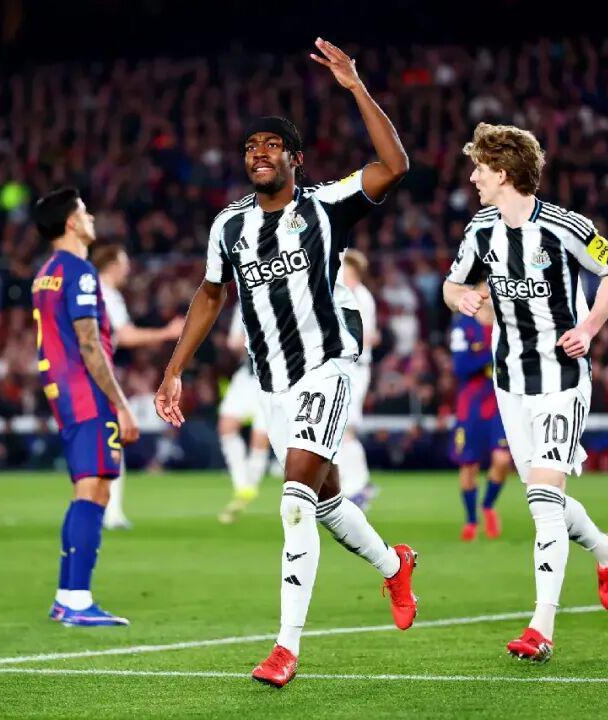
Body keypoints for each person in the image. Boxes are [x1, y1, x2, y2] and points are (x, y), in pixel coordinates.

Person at [155, 38, 417, 688]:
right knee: (325, 503)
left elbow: (395, 165)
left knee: (295, 499)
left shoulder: (325, 206)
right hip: (270, 383)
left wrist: (355, 86)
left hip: (326, 368)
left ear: (295, 159)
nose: (259, 154)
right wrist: (173, 369)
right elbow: (210, 295)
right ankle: (394, 566)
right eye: (251, 147)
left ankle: (285, 647)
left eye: (272, 145)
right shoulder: (229, 227)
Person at [442, 123, 608, 663]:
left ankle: (541, 627)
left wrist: (589, 327)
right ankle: (606, 548)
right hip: (510, 383)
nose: (473, 178)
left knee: (544, 502)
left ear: (503, 173)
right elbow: (453, 284)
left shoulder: (567, 227)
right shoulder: (481, 230)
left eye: (480, 168)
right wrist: (461, 300)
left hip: (561, 381)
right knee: (542, 497)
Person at [31, 187, 140, 627]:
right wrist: (121, 404)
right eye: (85, 212)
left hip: (63, 390)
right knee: (92, 489)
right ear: (71, 222)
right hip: (85, 392)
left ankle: (68, 596)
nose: (91, 217)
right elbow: (90, 344)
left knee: (94, 489)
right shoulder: (79, 272)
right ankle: (75, 599)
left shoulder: (46, 273)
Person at [90, 242, 184, 530]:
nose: (128, 269)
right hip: (95, 374)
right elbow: (126, 335)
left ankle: (103, 510)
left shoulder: (87, 290)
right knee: (111, 440)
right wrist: (167, 332)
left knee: (102, 441)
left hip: (82, 372)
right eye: (124, 264)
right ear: (112, 266)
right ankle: (109, 513)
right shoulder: (107, 294)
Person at [448, 301, 511, 541]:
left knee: (502, 459)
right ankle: (471, 520)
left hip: (500, 402)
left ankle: (488, 505)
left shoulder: (508, 320)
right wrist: (491, 353)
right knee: (469, 466)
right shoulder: (463, 325)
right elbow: (460, 366)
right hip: (471, 406)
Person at [216, 314, 272, 524]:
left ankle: (251, 485)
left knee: (260, 436)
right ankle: (242, 486)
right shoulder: (243, 304)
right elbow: (234, 342)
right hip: (247, 373)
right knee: (227, 425)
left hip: (274, 375)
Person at [336, 249, 379, 509]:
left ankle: (358, 485)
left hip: (355, 368)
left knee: (345, 428)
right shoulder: (350, 294)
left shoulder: (360, 296)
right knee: (341, 428)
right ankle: (356, 483)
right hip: (348, 367)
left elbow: (368, 336)